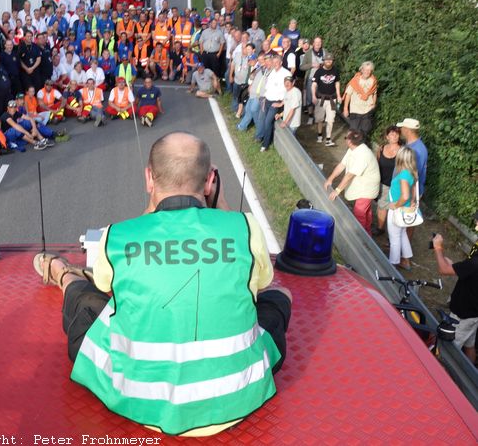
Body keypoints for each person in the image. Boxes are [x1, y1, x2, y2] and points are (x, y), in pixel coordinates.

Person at [33, 132, 291, 436]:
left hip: (138, 399)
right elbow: (257, 288)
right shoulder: (246, 227)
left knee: (88, 303)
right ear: (210, 180)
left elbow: (106, 289)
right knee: (279, 295)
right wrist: (219, 202)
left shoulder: (117, 236)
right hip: (239, 394)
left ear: (149, 178)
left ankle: (64, 274)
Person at [431, 213, 478, 363]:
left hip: (464, 314)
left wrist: (438, 248)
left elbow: (443, 270)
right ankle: (471, 376)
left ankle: (448, 376)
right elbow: (470, 271)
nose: (476, 226)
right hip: (473, 312)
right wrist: (456, 267)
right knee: (470, 346)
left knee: (449, 350)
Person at [325, 130, 381, 235]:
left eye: (346, 138)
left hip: (367, 188)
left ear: (350, 141)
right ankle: (368, 233)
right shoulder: (353, 149)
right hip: (363, 185)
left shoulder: (363, 155)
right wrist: (330, 179)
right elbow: (342, 165)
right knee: (366, 211)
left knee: (359, 213)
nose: (345, 139)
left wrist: (337, 190)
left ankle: (361, 237)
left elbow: (350, 175)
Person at [386, 146, 418, 270]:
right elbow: (413, 190)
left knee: (394, 238)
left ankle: (392, 265)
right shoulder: (412, 172)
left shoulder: (404, 174)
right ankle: (406, 260)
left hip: (398, 210)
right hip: (405, 210)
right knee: (402, 233)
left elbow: (404, 196)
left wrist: (395, 205)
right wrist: (412, 201)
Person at [374, 126, 401, 236]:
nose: (394, 136)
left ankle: (393, 232)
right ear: (387, 137)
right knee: (382, 206)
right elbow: (376, 164)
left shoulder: (402, 151)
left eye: (396, 134)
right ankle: (380, 228)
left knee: (394, 209)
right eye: (391, 134)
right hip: (383, 184)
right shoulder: (381, 148)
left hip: (396, 185)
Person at [312, 53, 341, 146]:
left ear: (332, 61)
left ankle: (328, 139)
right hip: (321, 98)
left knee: (330, 120)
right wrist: (313, 96)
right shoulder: (318, 72)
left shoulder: (336, 71)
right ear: (324, 61)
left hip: (332, 99)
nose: (328, 61)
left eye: (330, 60)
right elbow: (314, 85)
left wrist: (339, 95)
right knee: (320, 119)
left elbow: (337, 83)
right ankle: (319, 135)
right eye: (327, 60)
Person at [343, 61, 378, 137]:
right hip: (355, 109)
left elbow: (374, 93)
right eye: (365, 69)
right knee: (354, 130)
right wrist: (345, 108)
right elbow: (348, 95)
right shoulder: (355, 81)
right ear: (362, 70)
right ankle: (352, 147)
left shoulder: (373, 81)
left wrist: (374, 103)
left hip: (367, 109)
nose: (367, 72)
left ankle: (362, 145)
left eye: (369, 70)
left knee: (365, 130)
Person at [397, 118, 428, 197]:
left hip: (408, 193)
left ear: (407, 130)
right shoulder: (409, 144)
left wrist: (411, 197)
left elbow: (415, 175)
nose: (401, 130)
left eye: (402, 128)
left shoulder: (418, 149)